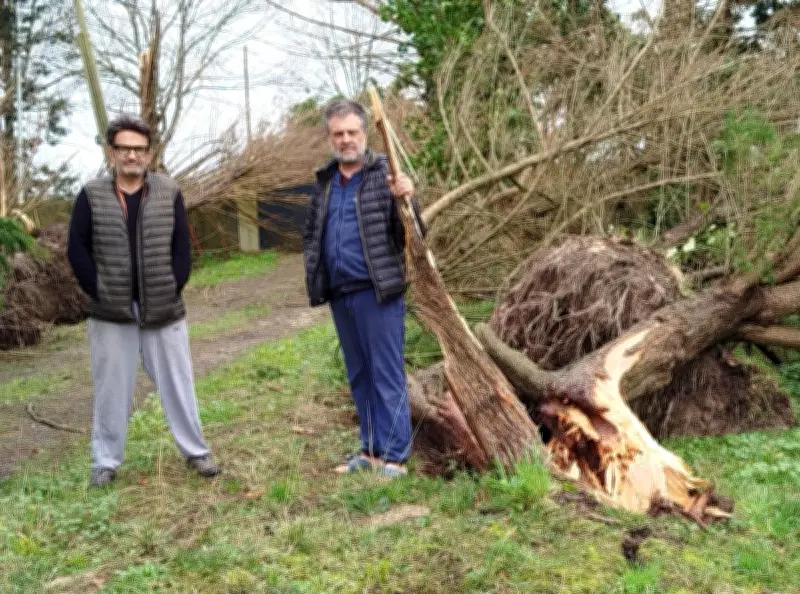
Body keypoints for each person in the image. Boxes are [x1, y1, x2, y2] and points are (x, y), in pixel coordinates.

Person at [67, 114, 219, 487]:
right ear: (111, 152)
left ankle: (196, 452)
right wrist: (98, 290)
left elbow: (182, 246)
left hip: (163, 308)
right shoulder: (91, 194)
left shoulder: (169, 191)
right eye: (124, 148)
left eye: (139, 149)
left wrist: (174, 285)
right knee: (110, 389)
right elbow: (77, 248)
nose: (131, 155)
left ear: (149, 154)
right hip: (110, 312)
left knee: (179, 383)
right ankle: (105, 462)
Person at [303, 99, 425, 478]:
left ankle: (395, 457)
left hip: (378, 292)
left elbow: (414, 234)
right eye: (338, 133)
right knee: (359, 374)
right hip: (341, 293)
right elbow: (312, 234)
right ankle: (371, 450)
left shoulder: (386, 174)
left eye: (352, 132)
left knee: (386, 373)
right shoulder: (325, 182)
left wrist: (408, 199)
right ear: (330, 137)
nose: (345, 139)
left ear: (364, 133)